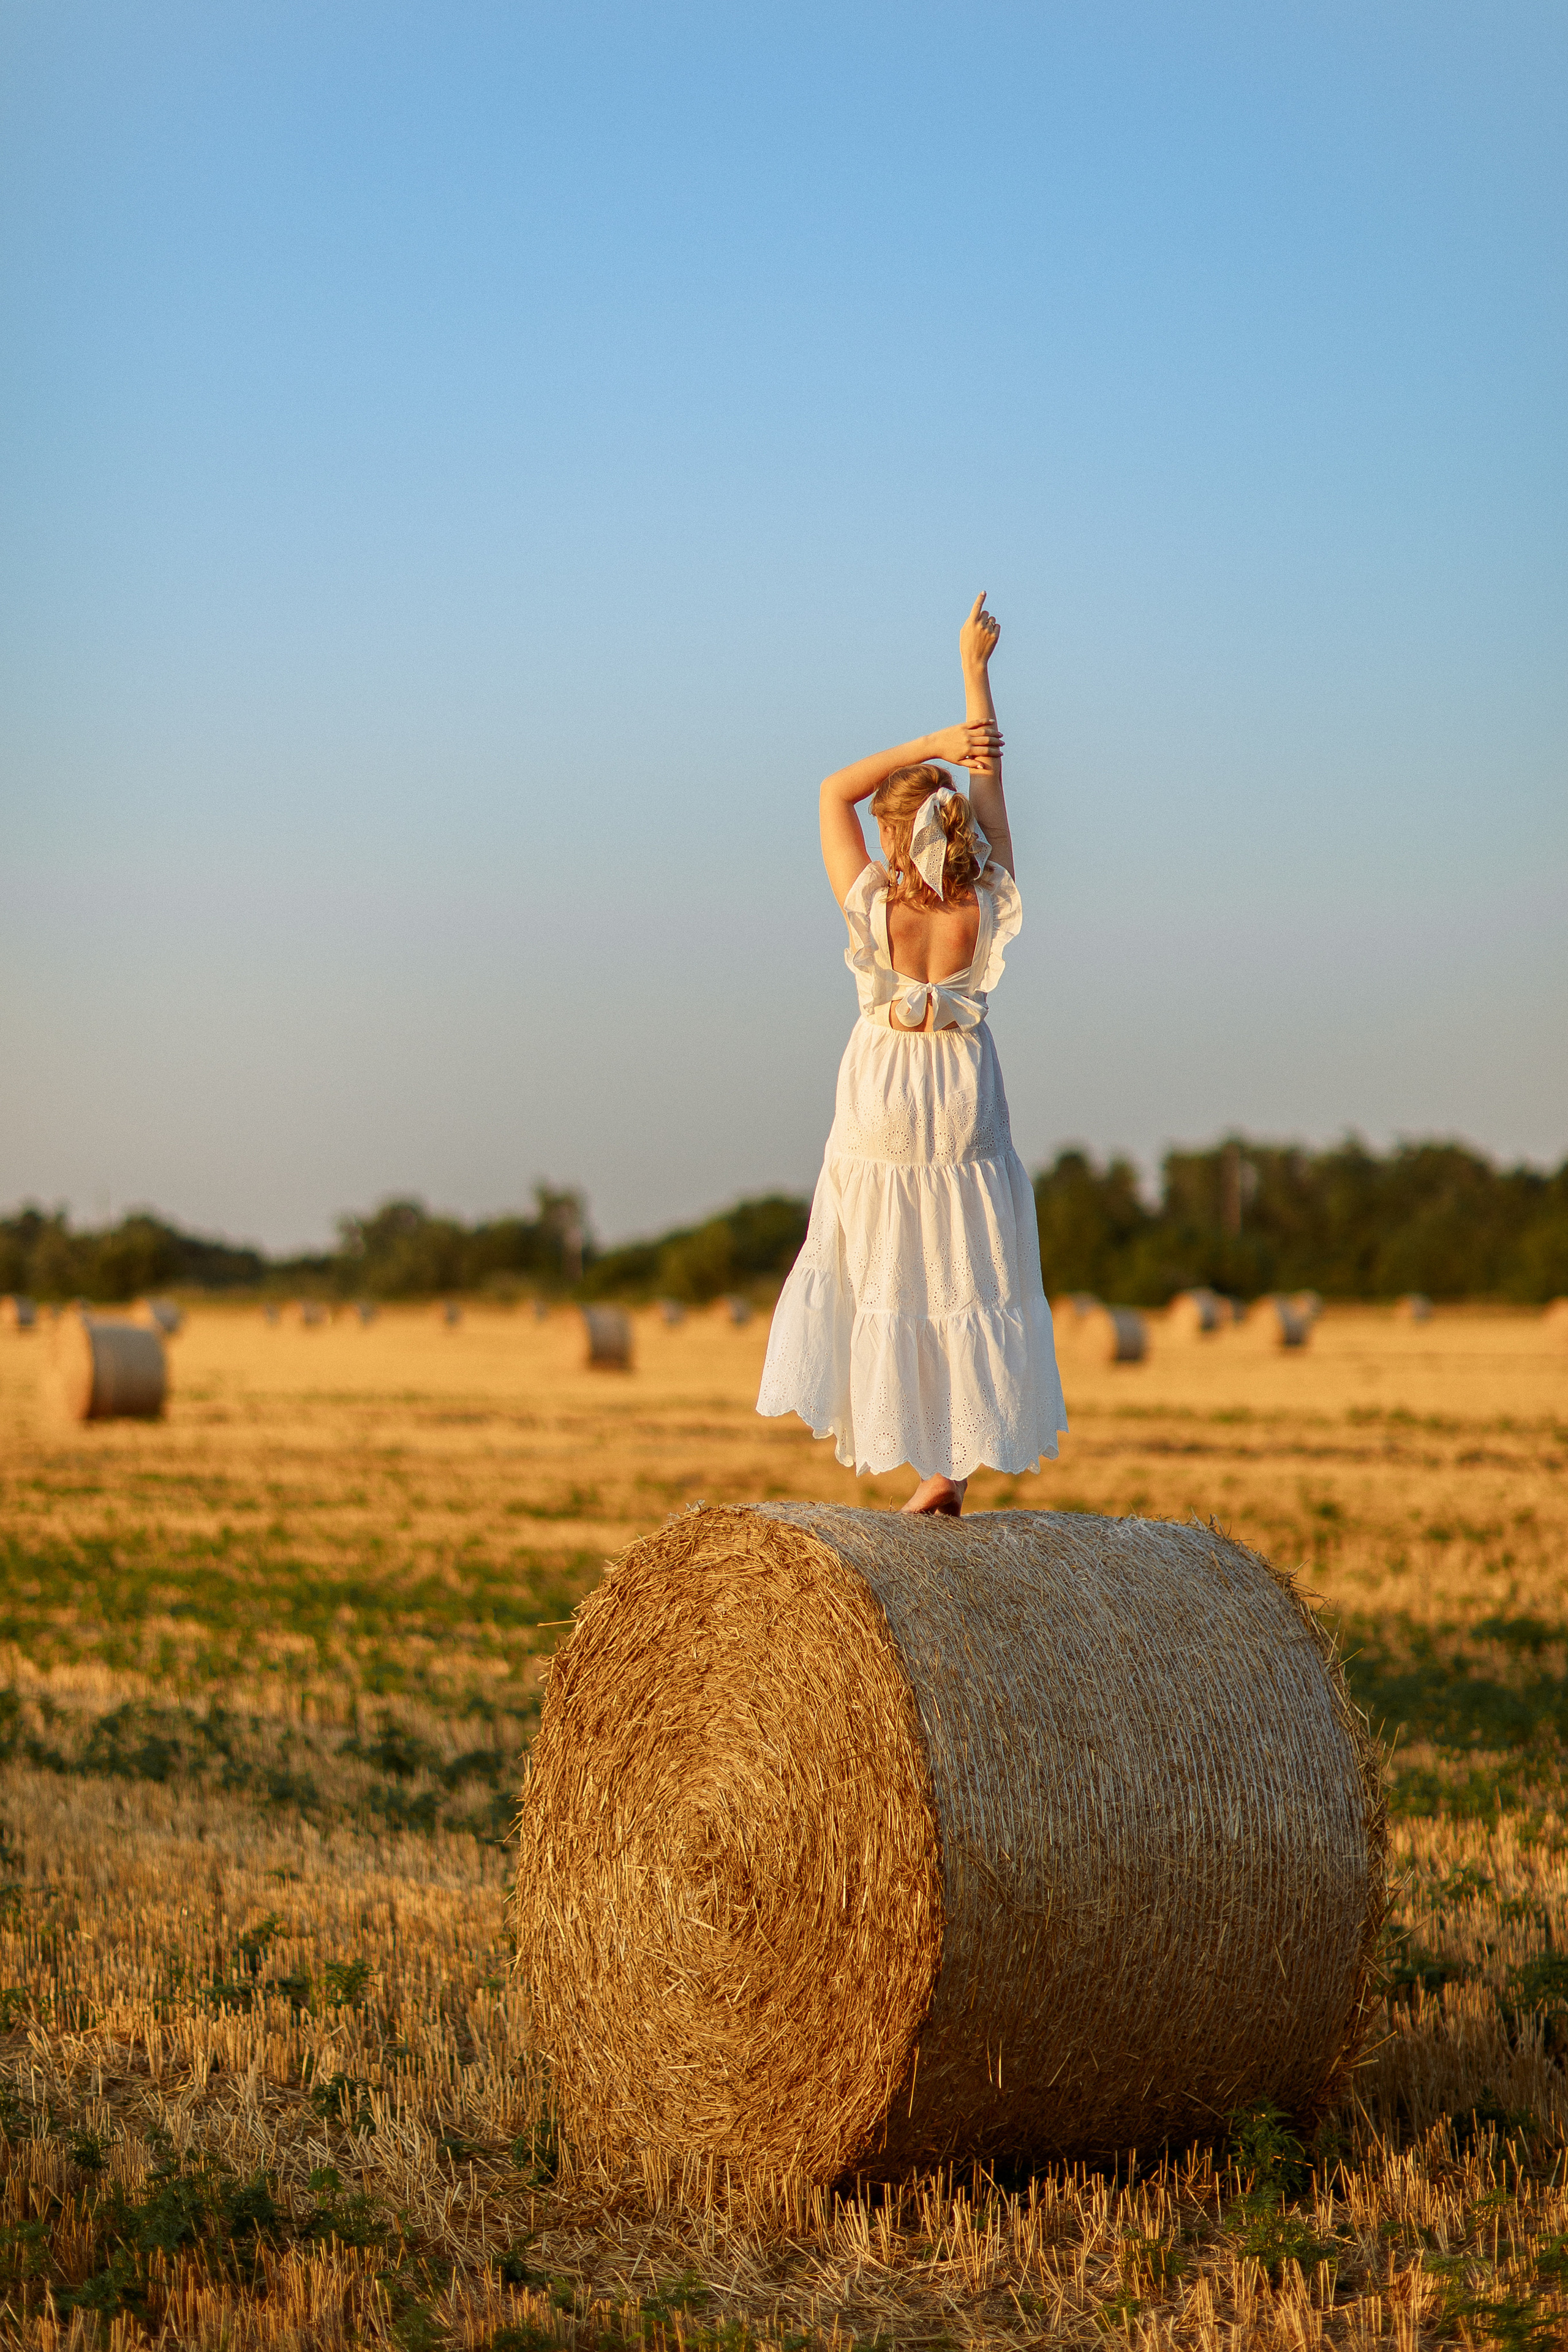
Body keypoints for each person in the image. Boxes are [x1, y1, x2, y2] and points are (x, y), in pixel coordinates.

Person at [757, 595, 1067, 1514]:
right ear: (956, 827)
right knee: (964, 1258)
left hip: (884, 1082)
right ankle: (948, 1468)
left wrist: (921, 739)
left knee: (886, 1255)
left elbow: (828, 790)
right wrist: (975, 676)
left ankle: (916, 1454)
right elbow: (989, 777)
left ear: (891, 837)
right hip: (962, 1084)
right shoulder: (987, 903)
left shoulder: (873, 906)